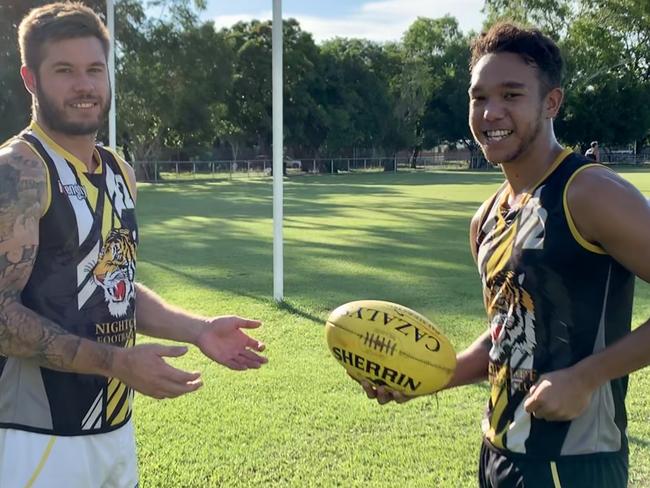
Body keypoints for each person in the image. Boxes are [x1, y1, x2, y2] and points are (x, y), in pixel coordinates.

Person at [358, 22, 650, 488]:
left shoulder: (589, 191)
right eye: (479, 97)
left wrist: (585, 377)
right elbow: (505, 336)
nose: (491, 112)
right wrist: (423, 376)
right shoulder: (486, 218)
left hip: (574, 462)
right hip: (498, 453)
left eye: (512, 95)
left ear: (550, 103)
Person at [0, 3, 267, 487]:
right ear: (30, 79)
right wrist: (120, 363)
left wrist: (199, 328)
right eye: (64, 71)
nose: (84, 85)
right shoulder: (17, 171)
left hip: (114, 429)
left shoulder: (119, 170)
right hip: (36, 436)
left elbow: (111, 282)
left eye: (94, 70)